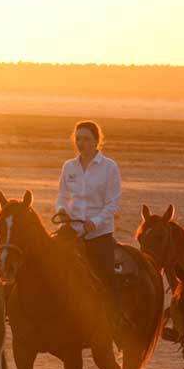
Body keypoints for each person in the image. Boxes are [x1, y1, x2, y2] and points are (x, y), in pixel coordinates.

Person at [54, 120, 122, 302]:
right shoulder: (69, 166)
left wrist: (96, 222)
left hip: (99, 234)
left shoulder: (109, 167)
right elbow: (62, 195)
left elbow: (112, 202)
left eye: (85, 139)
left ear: (96, 141)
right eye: (77, 139)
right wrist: (61, 211)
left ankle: (115, 319)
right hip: (72, 230)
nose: (80, 143)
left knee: (106, 280)